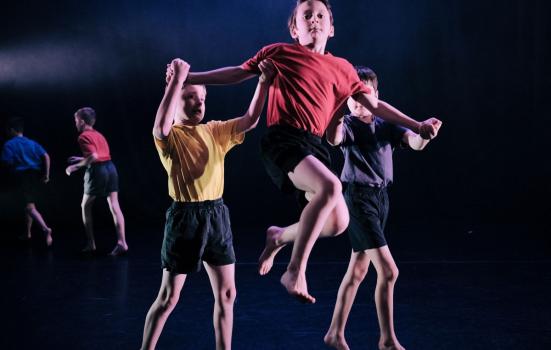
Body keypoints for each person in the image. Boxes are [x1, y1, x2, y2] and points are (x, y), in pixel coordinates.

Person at [184, 0, 441, 303]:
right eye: (306, 16)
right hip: (284, 140)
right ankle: (295, 269)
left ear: (331, 29)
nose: (314, 20)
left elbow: (375, 105)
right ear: (294, 28)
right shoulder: (280, 53)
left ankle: (279, 236)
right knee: (331, 186)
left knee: (338, 222)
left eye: (321, 16)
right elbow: (237, 73)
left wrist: (417, 123)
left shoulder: (343, 69)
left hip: (315, 147)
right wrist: (190, 77)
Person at [140, 58, 275, 350]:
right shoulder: (170, 137)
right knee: (168, 299)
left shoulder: (215, 131)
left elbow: (250, 119)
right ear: (175, 99)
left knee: (227, 294)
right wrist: (176, 80)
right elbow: (160, 125)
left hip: (216, 216)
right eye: (188, 97)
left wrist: (263, 83)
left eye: (200, 97)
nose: (197, 102)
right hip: (184, 219)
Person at [323, 66, 442, 350]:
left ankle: (335, 333)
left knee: (358, 272)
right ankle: (387, 340)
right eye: (353, 97)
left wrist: (426, 134)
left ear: (377, 96)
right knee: (389, 272)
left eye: (364, 96)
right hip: (358, 200)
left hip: (380, 200)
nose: (357, 102)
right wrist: (339, 105)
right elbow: (334, 137)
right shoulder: (349, 125)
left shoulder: (386, 124)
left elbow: (414, 143)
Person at [65, 107, 129, 256]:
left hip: (98, 171)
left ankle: (91, 244)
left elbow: (93, 157)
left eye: (75, 121)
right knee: (114, 205)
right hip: (111, 168)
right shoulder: (99, 135)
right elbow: (101, 155)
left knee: (85, 206)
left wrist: (74, 167)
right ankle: (122, 243)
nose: (75, 124)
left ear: (81, 121)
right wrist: (81, 158)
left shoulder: (83, 136)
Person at [1, 117, 52, 246]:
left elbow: (7, 162)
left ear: (12, 130)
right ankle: (28, 233)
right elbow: (46, 156)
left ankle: (46, 229)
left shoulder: (9, 144)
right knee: (29, 205)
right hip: (34, 176)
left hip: (22, 177)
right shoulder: (32, 143)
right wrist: (46, 174)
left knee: (29, 207)